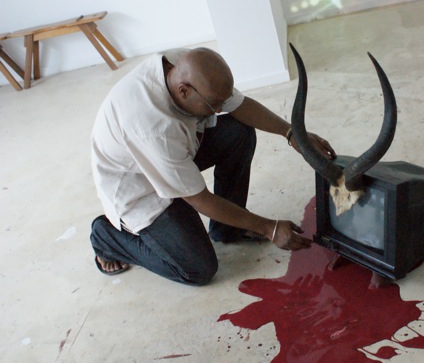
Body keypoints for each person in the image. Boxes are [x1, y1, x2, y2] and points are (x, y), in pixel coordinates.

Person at [90, 47, 335, 285]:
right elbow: (200, 199)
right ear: (184, 91)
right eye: (213, 105)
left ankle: (227, 229)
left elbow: (238, 105)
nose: (219, 110)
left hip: (173, 155)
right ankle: (107, 238)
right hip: (141, 188)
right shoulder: (153, 129)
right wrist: (268, 228)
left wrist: (291, 134)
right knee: (198, 269)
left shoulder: (183, 63)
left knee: (238, 132)